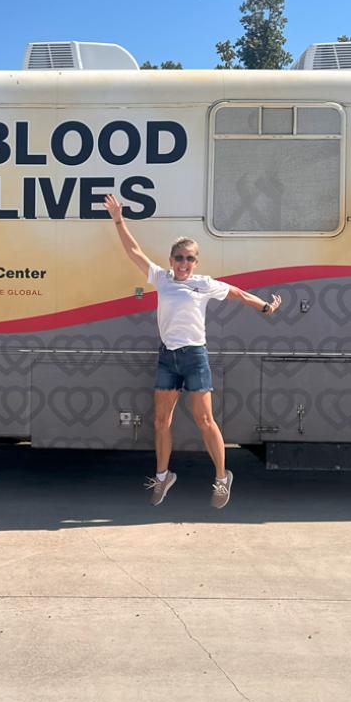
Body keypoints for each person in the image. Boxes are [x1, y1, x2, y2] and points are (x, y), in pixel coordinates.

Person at [103, 194, 281, 508]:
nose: (184, 264)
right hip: (168, 357)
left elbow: (238, 293)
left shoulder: (204, 284)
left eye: (189, 258)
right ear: (171, 260)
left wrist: (265, 307)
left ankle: (222, 478)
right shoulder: (161, 278)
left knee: (205, 420)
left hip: (195, 356)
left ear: (196, 262)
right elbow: (133, 251)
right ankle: (162, 477)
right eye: (179, 258)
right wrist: (118, 219)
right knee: (161, 421)